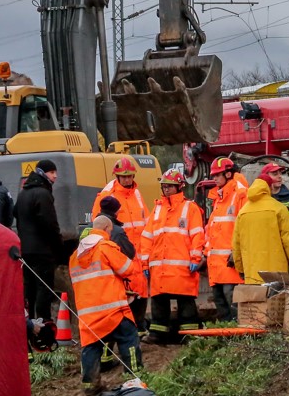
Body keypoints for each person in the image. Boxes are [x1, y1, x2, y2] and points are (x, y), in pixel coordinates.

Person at [70, 215, 141, 395]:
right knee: (129, 338)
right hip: (113, 310)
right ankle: (135, 378)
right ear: (108, 229)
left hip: (88, 316)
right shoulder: (105, 248)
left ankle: (90, 387)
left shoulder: (74, 256)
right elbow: (128, 269)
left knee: (91, 347)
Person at [140, 169, 204, 344]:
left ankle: (190, 335)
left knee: (186, 302)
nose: (166, 189)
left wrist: (195, 259)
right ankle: (157, 334)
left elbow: (197, 235)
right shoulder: (158, 209)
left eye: (170, 186)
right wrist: (145, 264)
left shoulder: (189, 208)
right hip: (159, 268)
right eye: (164, 186)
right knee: (159, 302)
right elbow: (146, 238)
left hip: (181, 268)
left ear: (179, 187)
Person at [91, 157, 150, 327]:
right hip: (119, 253)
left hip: (137, 254)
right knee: (122, 294)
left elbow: (145, 222)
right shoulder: (107, 195)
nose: (127, 180)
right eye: (124, 176)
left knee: (139, 291)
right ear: (116, 176)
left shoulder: (136, 194)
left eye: (130, 176)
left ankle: (139, 328)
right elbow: (99, 226)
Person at [232, 172, 289, 285]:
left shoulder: (243, 212)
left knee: (256, 302)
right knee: (275, 301)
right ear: (269, 187)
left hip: (252, 275)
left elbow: (236, 245)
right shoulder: (279, 208)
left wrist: (240, 269)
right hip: (276, 274)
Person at [16, 159, 62, 322]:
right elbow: (50, 224)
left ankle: (29, 324)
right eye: (52, 172)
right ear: (42, 173)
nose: (55, 176)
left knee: (30, 289)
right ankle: (44, 325)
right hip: (42, 250)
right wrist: (58, 248)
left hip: (26, 250)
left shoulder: (23, 193)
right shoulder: (43, 194)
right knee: (44, 287)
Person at [204, 157, 248, 321]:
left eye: (217, 175)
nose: (214, 178)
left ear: (228, 174)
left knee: (234, 304)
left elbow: (244, 228)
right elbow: (213, 228)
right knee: (221, 304)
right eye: (213, 175)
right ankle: (227, 338)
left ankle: (239, 342)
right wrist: (206, 252)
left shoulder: (239, 195)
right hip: (217, 264)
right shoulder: (219, 198)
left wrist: (237, 253)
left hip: (230, 264)